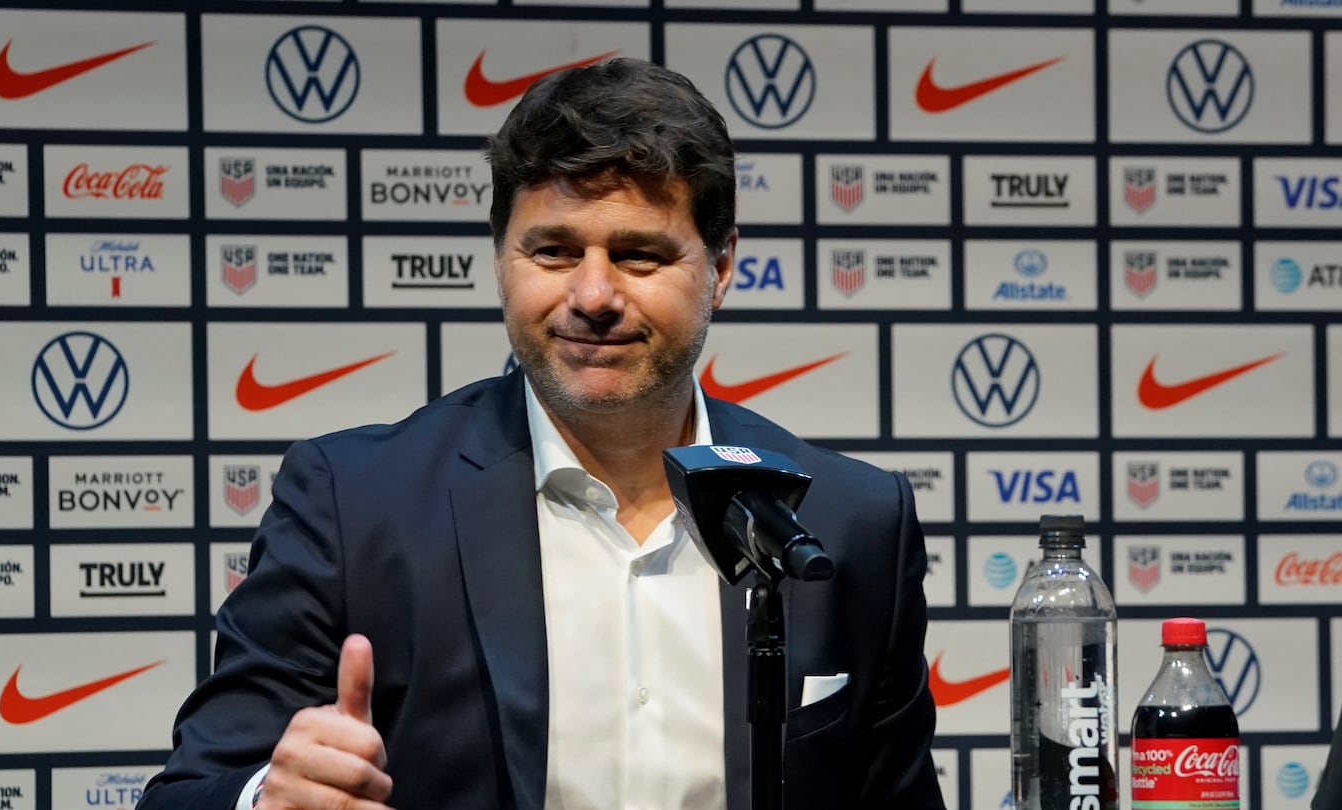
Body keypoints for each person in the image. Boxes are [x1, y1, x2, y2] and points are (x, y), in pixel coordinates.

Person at [138, 57, 944, 810]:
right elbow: (190, 790)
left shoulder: (849, 518)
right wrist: (265, 799)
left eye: (640, 255)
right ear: (501, 261)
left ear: (722, 267)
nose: (593, 294)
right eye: (553, 250)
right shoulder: (353, 506)